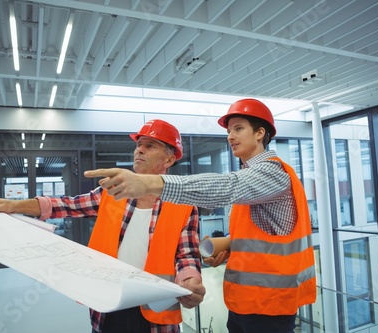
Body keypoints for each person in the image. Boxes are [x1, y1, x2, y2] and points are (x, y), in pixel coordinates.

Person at [84, 99, 317, 333]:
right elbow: (265, 236)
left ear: (260, 133)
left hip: (271, 308)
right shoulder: (251, 176)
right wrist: (229, 248)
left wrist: (150, 183)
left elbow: (227, 187)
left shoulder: (272, 173)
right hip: (246, 303)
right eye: (228, 131)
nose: (230, 136)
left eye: (238, 129)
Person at [0, 119, 206, 333]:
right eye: (138, 144)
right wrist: (15, 205)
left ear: (169, 160)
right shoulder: (112, 193)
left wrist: (190, 281)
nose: (139, 150)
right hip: (108, 301)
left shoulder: (184, 204)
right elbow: (66, 205)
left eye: (150, 146)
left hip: (157, 308)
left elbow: (186, 256)